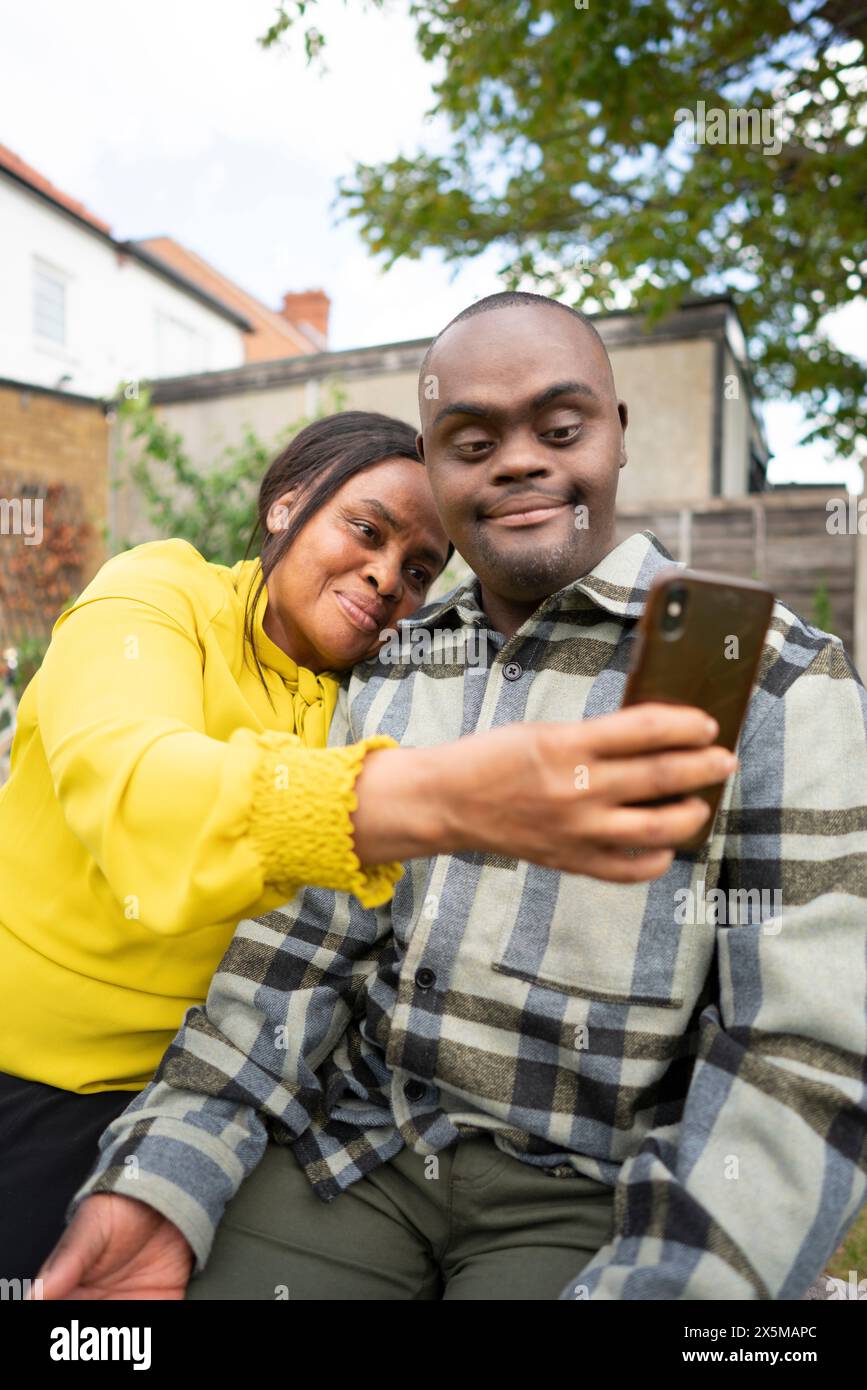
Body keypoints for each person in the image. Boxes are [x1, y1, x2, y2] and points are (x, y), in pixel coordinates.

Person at [43, 290, 862, 1302]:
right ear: (434, 465)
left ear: (616, 436)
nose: (517, 459)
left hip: (591, 1191)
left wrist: (684, 1281)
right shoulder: (395, 670)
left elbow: (803, 1046)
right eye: (470, 440)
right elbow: (294, 958)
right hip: (357, 1160)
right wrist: (159, 1182)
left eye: (558, 427)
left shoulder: (760, 668)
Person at [0, 402, 728, 1282]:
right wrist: (442, 795)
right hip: (35, 1083)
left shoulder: (382, 693)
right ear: (285, 504)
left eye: (419, 568)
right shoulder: (159, 595)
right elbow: (136, 786)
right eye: (365, 529)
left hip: (212, 1103)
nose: (387, 577)